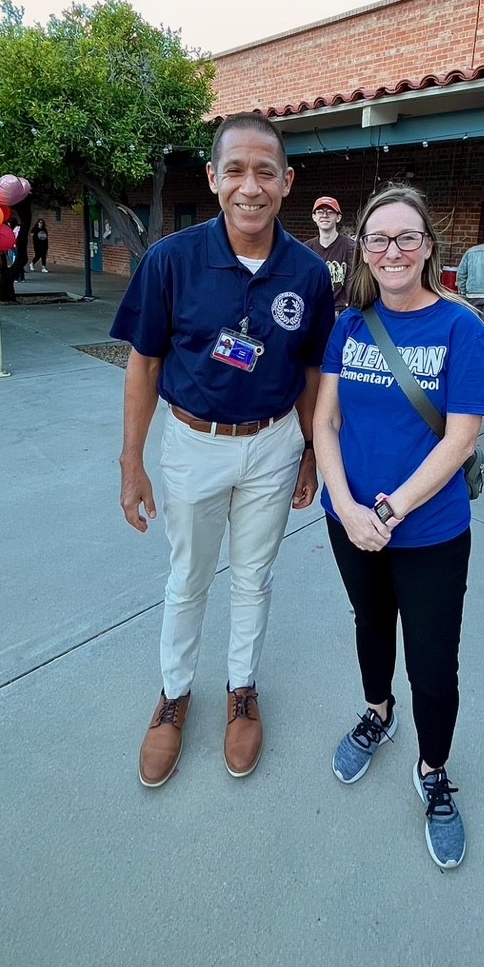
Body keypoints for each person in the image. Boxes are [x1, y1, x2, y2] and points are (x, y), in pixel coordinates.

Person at [111, 112, 334, 788]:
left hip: (272, 445)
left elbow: (313, 371)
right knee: (188, 578)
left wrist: (311, 454)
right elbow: (143, 364)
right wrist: (132, 461)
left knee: (254, 577)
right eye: (235, 169)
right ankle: (175, 694)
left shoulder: (309, 274)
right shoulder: (170, 260)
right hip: (192, 445)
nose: (250, 185)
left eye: (266, 171)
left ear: (287, 181)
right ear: (213, 178)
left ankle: (242, 689)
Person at [314, 185, 484, 870]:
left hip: (430, 533)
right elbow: (325, 422)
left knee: (432, 661)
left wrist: (387, 514)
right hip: (350, 520)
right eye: (378, 239)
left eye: (407, 238)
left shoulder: (462, 330)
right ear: (363, 249)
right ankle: (377, 712)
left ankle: (432, 771)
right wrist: (345, 503)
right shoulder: (351, 325)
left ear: (428, 248)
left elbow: (459, 441)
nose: (392, 251)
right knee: (370, 622)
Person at [304, 196, 355, 314]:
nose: (324, 215)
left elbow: (355, 285)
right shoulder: (306, 249)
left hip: (341, 312)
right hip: (314, 311)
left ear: (338, 217)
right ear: (314, 217)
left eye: (330, 212)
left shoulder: (351, 247)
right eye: (320, 212)